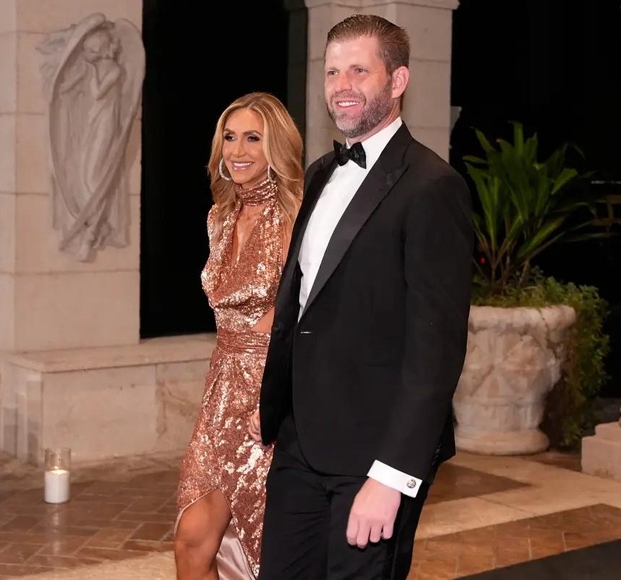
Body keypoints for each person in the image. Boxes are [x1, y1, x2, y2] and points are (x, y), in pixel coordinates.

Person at [251, 14, 473, 580]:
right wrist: (274, 412)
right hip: (300, 445)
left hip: (374, 455)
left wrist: (391, 476)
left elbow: (436, 350)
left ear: (397, 81)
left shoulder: (433, 187)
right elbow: (302, 303)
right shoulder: (321, 174)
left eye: (358, 70)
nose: (341, 85)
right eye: (332, 72)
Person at [174, 92, 304, 580]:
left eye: (253, 138)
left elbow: (299, 311)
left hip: (265, 390)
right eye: (230, 137)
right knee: (192, 540)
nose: (238, 150)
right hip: (220, 389)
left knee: (259, 546)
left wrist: (273, 401)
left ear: (276, 147)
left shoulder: (293, 218)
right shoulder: (219, 217)